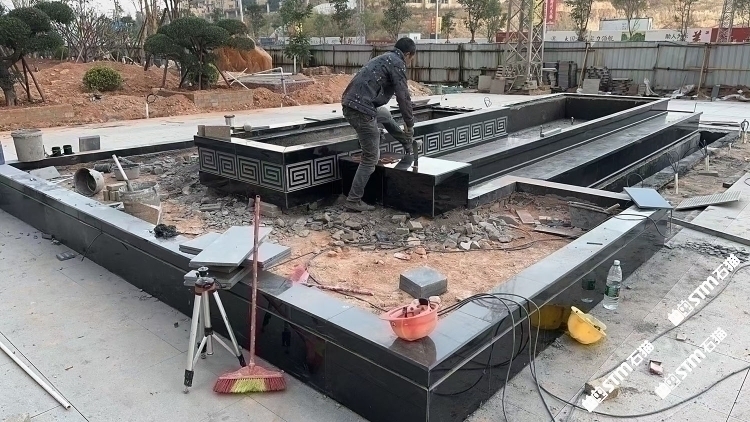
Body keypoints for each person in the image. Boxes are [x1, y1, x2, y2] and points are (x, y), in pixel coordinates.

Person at [340, 37, 418, 212]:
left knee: (385, 114)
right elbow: (403, 96)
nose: (410, 62)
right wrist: (409, 123)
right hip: (361, 110)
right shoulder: (397, 63)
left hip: (353, 104)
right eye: (411, 58)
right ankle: (353, 200)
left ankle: (406, 143)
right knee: (370, 158)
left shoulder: (384, 58)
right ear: (407, 54)